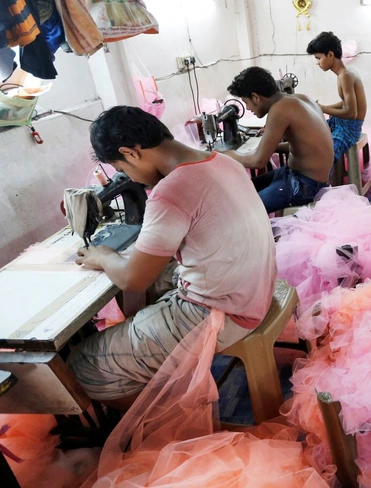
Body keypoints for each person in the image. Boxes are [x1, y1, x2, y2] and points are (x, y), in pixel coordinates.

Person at [69, 106, 277, 410]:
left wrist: (103, 256)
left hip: (222, 313)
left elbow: (133, 279)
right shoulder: (223, 161)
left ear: (130, 153)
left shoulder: (171, 190)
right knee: (158, 282)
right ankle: (152, 360)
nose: (132, 179)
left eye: (124, 170)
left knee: (82, 364)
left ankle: (159, 427)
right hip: (253, 292)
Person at [225, 66, 334, 212]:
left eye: (246, 102)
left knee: (245, 211)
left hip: (305, 185)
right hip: (302, 176)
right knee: (245, 189)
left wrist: (231, 155)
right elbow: (304, 147)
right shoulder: (302, 99)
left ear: (256, 97)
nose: (248, 108)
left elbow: (258, 161)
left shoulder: (279, 109)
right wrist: (271, 146)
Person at [307, 31, 367, 162]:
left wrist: (322, 108)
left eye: (318, 58)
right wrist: (319, 107)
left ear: (330, 55)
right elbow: (345, 102)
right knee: (308, 133)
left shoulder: (345, 76)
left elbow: (351, 113)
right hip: (340, 123)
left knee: (322, 156)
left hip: (349, 130)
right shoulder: (344, 73)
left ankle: (328, 181)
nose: (318, 63)